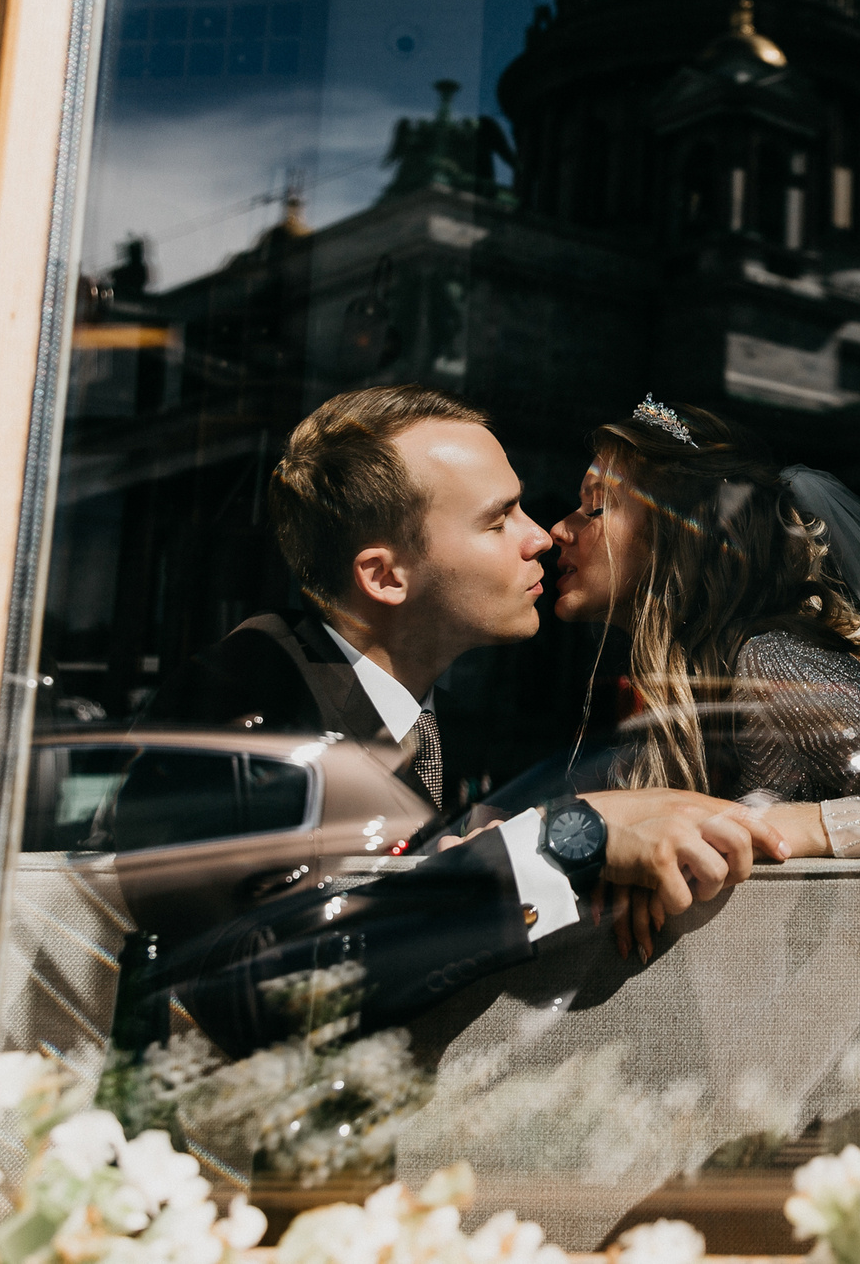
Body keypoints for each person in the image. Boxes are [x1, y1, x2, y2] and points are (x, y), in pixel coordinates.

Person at [129, 384, 784, 1052]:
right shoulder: (247, 699)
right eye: (498, 520)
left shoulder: (447, 728)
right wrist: (566, 841)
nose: (541, 536)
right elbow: (249, 990)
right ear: (385, 577)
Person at [548, 395, 860, 951]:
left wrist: (803, 826)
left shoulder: (768, 665)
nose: (558, 529)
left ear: (677, 532)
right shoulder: (678, 687)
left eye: (596, 506)